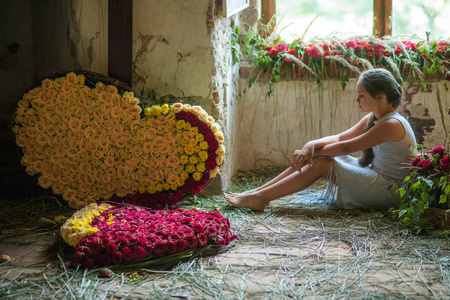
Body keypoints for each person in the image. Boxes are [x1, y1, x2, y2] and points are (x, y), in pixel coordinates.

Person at [225, 68, 417, 211]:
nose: (356, 100)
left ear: (380, 96)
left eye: (361, 96)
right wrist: (311, 146)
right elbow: (341, 137)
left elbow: (346, 147)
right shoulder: (374, 118)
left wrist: (311, 153)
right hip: (377, 177)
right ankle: (256, 194)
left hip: (390, 191)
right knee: (316, 158)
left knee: (320, 164)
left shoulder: (391, 124)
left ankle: (260, 197)